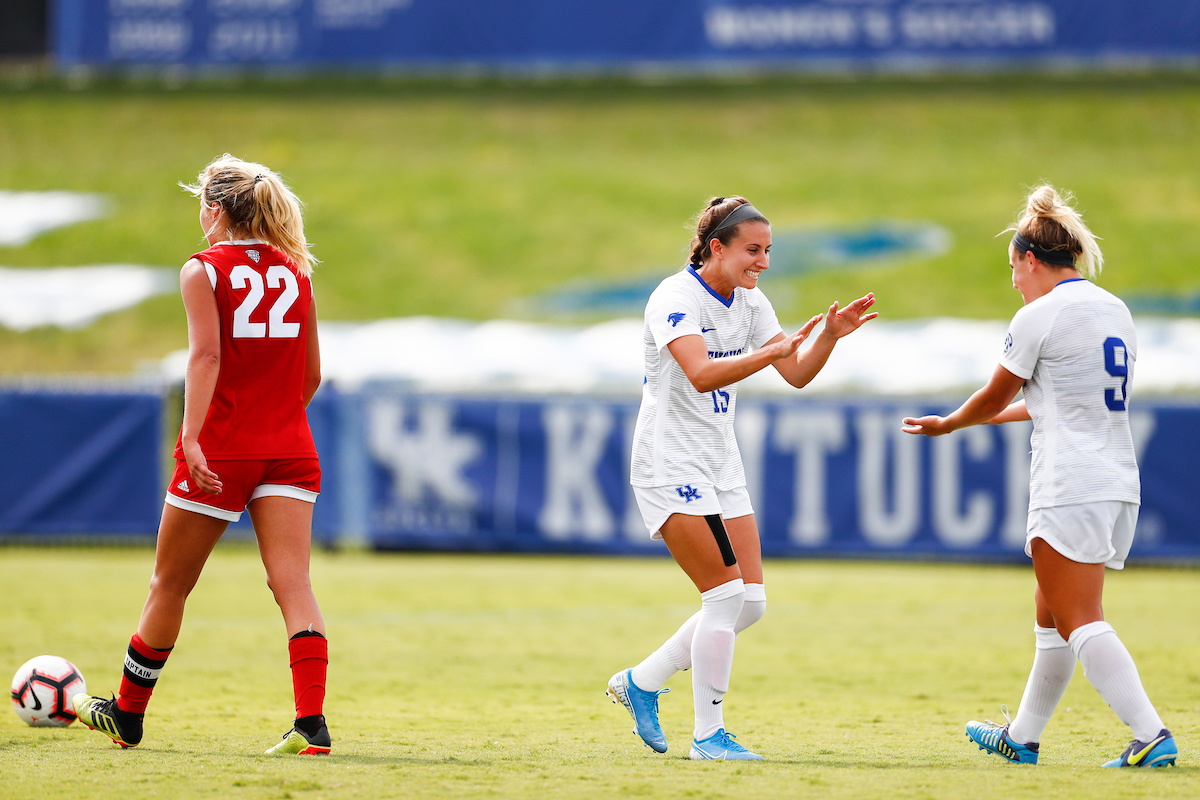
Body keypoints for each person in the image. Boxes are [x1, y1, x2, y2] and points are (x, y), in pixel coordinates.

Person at [901, 185, 1176, 769]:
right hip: (1115, 478)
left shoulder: (1038, 315)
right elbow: (1065, 397)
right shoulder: (1114, 309)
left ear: (1030, 259)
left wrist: (950, 424)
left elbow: (997, 390)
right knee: (1050, 615)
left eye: (1014, 270)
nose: (1014, 283)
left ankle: (1150, 733)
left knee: (1079, 619)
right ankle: (1022, 737)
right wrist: (991, 416)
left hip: (1069, 482)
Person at [73, 154, 331, 756]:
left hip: (223, 450)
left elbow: (206, 358)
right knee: (293, 583)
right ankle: (311, 724)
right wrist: (279, 421)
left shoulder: (202, 269)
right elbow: (313, 374)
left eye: (201, 204)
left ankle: (128, 716)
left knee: (170, 583)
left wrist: (192, 435)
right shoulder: (296, 269)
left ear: (216, 209)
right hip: (291, 447)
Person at [608, 196, 877, 760]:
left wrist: (829, 335)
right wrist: (771, 352)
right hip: (669, 461)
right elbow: (702, 374)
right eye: (753, 251)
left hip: (719, 461)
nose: (764, 263)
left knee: (749, 602)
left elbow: (796, 373)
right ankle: (709, 736)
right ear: (716, 249)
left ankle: (642, 682)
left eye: (768, 251)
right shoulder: (674, 297)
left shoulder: (751, 301)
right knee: (725, 596)